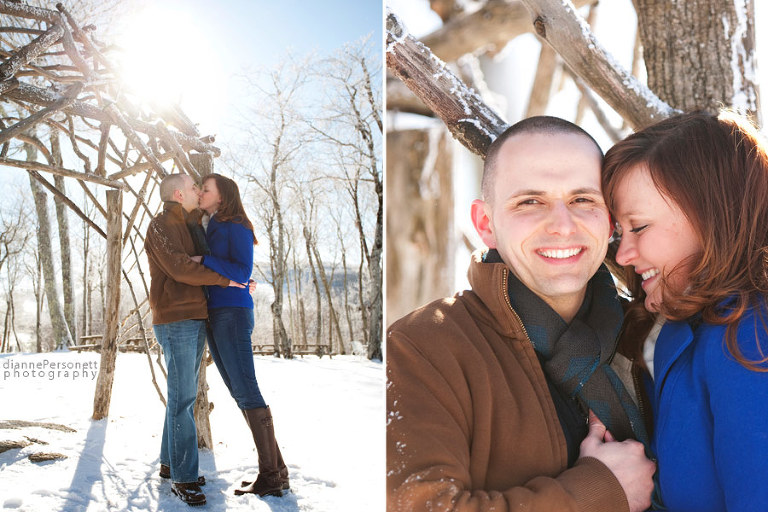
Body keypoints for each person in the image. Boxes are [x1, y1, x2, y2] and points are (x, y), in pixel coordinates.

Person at [387, 116, 656, 512]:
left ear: (610, 218)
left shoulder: (649, 337)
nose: (563, 226)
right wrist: (598, 492)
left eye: (583, 200)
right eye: (530, 202)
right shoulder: (423, 347)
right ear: (486, 224)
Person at [602, 110, 768, 512]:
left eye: (639, 227)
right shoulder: (682, 327)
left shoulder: (749, 334)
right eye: (619, 233)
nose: (623, 253)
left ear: (712, 215)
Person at [145, 173, 245, 507]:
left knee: (181, 394)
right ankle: (183, 478)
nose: (197, 192)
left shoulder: (192, 225)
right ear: (177, 193)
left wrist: (234, 279)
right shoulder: (159, 226)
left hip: (194, 315)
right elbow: (180, 268)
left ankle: (170, 463)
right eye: (192, 188)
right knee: (183, 398)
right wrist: (221, 280)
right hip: (176, 318)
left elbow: (206, 260)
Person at [192, 173, 289, 497]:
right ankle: (277, 471)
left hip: (232, 312)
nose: (201, 193)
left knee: (247, 391)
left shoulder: (237, 225)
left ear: (222, 196)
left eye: (206, 189)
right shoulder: (212, 223)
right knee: (239, 392)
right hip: (216, 312)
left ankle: (271, 476)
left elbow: (242, 271)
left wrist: (205, 259)